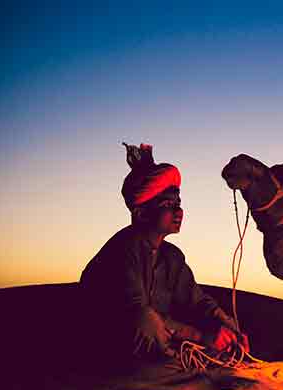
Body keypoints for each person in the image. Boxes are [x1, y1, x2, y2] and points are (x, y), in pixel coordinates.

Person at [80, 143, 248, 361]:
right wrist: (201, 336)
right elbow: (139, 314)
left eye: (179, 203)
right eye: (168, 204)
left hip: (160, 340)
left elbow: (197, 301)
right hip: (105, 344)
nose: (178, 211)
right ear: (141, 214)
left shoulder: (172, 257)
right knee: (146, 321)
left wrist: (225, 323)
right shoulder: (122, 251)